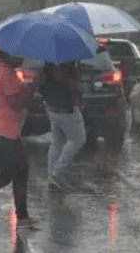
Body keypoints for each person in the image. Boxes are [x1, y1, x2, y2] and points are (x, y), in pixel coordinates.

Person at [0, 47, 37, 227]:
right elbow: (16, 104)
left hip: (6, 130)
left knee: (19, 172)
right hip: (5, 132)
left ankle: (23, 216)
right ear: (10, 56)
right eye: (20, 55)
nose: (23, 59)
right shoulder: (5, 73)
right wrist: (31, 87)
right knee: (6, 175)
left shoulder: (4, 70)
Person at [39, 61, 86, 190]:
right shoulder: (68, 63)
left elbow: (43, 84)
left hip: (52, 106)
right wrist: (77, 76)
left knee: (57, 143)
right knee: (78, 139)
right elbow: (73, 86)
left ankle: (53, 176)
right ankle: (57, 173)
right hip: (67, 108)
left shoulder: (48, 63)